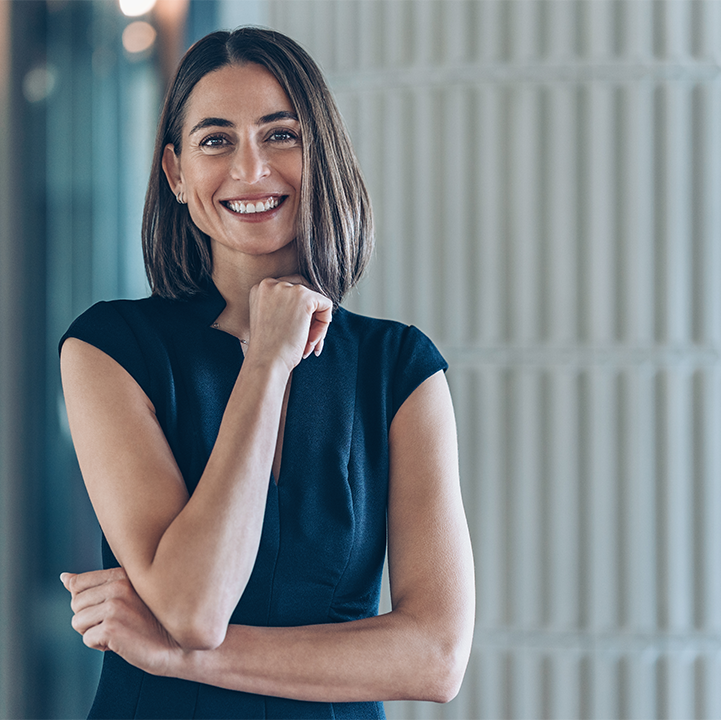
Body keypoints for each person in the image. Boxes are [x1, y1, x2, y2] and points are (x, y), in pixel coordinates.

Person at [57, 27, 474, 720]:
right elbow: (194, 605)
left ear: (323, 156)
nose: (251, 170)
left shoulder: (400, 369)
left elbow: (435, 657)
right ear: (177, 174)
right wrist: (267, 358)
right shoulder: (110, 350)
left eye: (281, 135)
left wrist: (175, 656)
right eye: (216, 141)